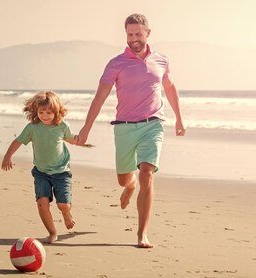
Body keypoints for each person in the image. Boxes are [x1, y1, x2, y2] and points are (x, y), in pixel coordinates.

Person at [76, 13, 185, 248]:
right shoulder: (116, 63)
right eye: (129, 34)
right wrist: (86, 128)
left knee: (147, 174)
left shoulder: (161, 60)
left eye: (137, 34)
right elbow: (100, 97)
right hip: (124, 127)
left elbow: (170, 87)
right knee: (124, 179)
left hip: (152, 124)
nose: (133, 39)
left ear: (148, 33)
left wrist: (179, 118)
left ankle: (142, 234)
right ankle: (130, 184)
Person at [1, 90, 79, 244]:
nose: (45, 115)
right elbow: (18, 141)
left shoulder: (62, 125)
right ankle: (52, 232)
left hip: (61, 172)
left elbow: (70, 139)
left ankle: (66, 213)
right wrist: (7, 156)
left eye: (49, 112)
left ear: (56, 112)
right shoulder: (32, 128)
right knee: (42, 203)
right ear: (36, 111)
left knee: (63, 205)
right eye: (42, 112)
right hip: (41, 173)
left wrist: (80, 138)